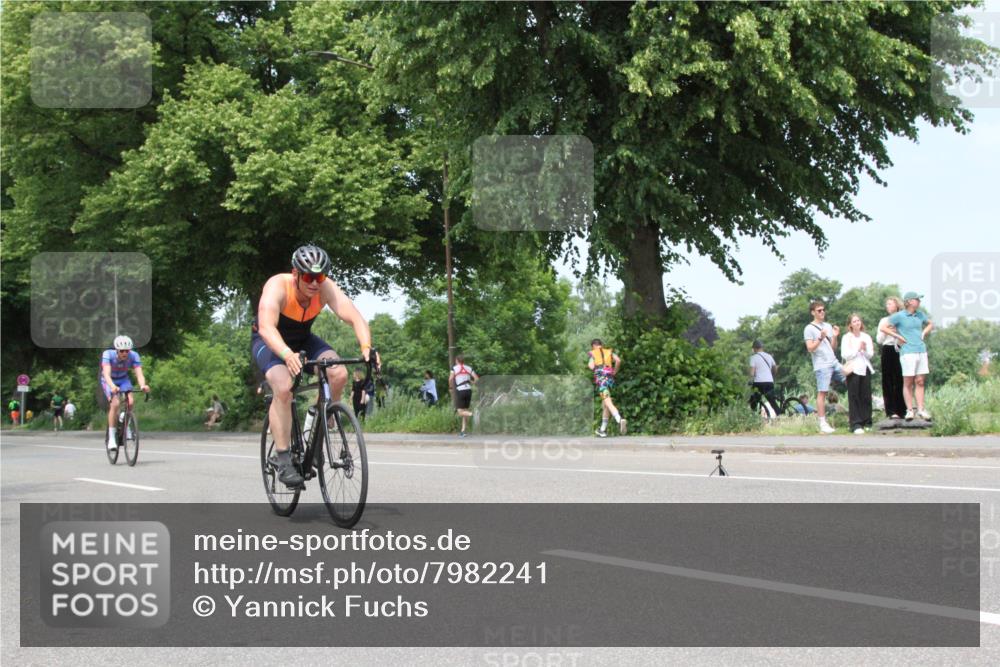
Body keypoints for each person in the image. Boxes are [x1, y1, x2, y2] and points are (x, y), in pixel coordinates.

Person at [252, 244, 377, 488]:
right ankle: (284, 457)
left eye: (320, 277)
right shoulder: (277, 286)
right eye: (309, 277)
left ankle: (321, 418)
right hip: (269, 341)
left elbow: (355, 317)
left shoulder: (325, 287)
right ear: (296, 274)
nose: (314, 283)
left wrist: (366, 347)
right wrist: (286, 354)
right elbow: (267, 327)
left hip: (303, 339)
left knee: (338, 372)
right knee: (284, 387)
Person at [880, 291, 933, 421]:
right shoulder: (900, 315)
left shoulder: (920, 314)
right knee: (908, 382)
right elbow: (884, 328)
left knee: (920, 381)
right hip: (908, 351)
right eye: (917, 299)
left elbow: (930, 324)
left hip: (921, 350)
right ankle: (909, 410)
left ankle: (920, 409)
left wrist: (924, 333)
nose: (919, 302)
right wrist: (898, 336)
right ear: (909, 301)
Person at [99, 335, 150, 450]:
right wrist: (112, 386)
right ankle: (112, 438)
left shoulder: (134, 356)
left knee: (130, 402)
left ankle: (125, 423)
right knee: (115, 404)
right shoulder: (108, 354)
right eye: (122, 351)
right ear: (117, 350)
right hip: (109, 381)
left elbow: (139, 373)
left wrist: (143, 385)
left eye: (127, 351)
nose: (125, 353)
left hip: (123, 379)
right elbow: (106, 374)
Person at [803, 300, 845, 434]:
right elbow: (810, 348)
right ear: (813, 313)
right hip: (822, 365)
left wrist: (835, 337)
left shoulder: (827, 325)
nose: (822, 312)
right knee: (823, 392)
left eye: (823, 310)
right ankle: (822, 422)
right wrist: (820, 338)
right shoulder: (809, 328)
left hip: (833, 361)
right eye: (819, 310)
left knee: (852, 378)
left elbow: (832, 347)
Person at [841, 313, 875, 434]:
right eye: (854, 321)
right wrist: (857, 349)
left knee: (866, 395)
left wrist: (864, 349)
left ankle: (867, 421)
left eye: (858, 320)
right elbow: (845, 354)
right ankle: (855, 423)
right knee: (854, 396)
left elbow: (870, 354)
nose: (857, 323)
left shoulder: (866, 336)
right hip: (853, 369)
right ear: (850, 324)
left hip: (865, 367)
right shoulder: (847, 337)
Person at [876, 296, 907, 419]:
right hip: (887, 349)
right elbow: (879, 340)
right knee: (887, 380)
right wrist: (886, 331)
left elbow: (906, 337)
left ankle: (902, 409)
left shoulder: (902, 319)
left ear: (896, 305)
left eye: (890, 303)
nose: (887, 306)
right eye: (887, 304)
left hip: (900, 349)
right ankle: (890, 410)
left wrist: (897, 331)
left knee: (900, 379)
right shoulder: (884, 320)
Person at [588, 339, 626, 437]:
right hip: (609, 379)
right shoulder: (609, 352)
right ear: (601, 345)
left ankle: (619, 419)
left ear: (593, 346)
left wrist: (596, 366)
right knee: (605, 404)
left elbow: (591, 366)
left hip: (601, 380)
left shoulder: (594, 354)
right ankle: (602, 430)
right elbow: (618, 360)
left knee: (608, 402)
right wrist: (614, 372)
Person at [748, 340, 779, 418]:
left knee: (754, 401)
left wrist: (749, 380)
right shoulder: (769, 356)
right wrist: (771, 375)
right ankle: (780, 415)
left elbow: (752, 373)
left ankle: (755, 418)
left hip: (758, 383)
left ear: (754, 348)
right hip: (769, 382)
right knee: (772, 402)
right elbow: (775, 369)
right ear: (762, 347)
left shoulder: (753, 357)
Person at [449, 355, 479, 437]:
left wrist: (451, 388)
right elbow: (476, 378)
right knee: (465, 410)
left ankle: (472, 414)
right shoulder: (469, 368)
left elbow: (450, 379)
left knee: (460, 412)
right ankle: (463, 431)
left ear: (457, 360)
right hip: (468, 390)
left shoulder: (454, 368)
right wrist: (471, 382)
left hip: (461, 390)